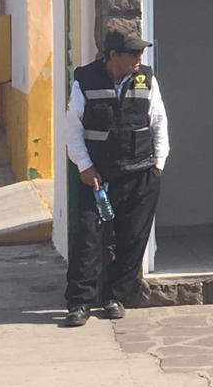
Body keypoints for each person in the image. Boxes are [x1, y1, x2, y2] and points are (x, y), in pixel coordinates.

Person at [62, 29, 170, 327]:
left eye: (140, 52)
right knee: (88, 239)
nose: (139, 58)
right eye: (133, 53)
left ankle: (116, 298)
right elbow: (73, 128)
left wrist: (158, 165)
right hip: (98, 177)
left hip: (141, 173)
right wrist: (85, 167)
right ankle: (80, 302)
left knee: (132, 238)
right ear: (113, 55)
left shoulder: (146, 78)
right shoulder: (86, 80)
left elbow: (159, 121)